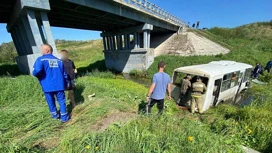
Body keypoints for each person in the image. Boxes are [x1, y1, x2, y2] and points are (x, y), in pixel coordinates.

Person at [32, 44, 70, 123]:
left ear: (47, 50)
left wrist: (37, 75)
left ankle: (55, 116)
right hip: (59, 85)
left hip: (47, 85)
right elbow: (64, 74)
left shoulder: (41, 59)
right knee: (62, 101)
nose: (41, 51)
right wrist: (66, 83)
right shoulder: (59, 61)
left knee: (51, 101)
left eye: (42, 49)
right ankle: (64, 118)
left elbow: (37, 71)